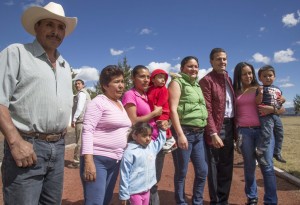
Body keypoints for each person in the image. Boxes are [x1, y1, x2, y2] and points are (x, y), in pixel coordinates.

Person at [0, 2, 77, 204]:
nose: (56, 31)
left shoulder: (64, 65)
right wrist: (16, 142)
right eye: (50, 24)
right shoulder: (16, 53)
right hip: (28, 146)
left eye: (61, 27)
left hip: (58, 147)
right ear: (37, 27)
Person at [233, 62, 284, 205]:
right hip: (244, 132)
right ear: (239, 75)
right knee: (249, 167)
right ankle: (252, 197)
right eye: (244, 73)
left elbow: (281, 110)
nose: (248, 76)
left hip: (264, 132)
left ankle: (271, 201)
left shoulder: (262, 89)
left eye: (250, 73)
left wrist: (272, 109)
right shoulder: (235, 91)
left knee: (267, 166)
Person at [80, 65, 132, 205]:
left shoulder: (120, 104)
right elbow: (87, 130)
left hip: (115, 160)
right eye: (116, 82)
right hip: (98, 159)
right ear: (104, 85)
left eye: (122, 81)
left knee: (105, 200)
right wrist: (89, 162)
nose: (121, 85)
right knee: (95, 202)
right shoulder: (98, 102)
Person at [122, 65, 167, 205]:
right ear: (133, 78)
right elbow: (133, 120)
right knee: (138, 183)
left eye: (148, 76)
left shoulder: (148, 94)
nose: (146, 79)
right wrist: (154, 114)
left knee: (152, 181)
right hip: (139, 145)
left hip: (153, 143)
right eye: (142, 76)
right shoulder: (130, 94)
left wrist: (164, 125)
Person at [168, 56, 208, 205]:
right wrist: (180, 135)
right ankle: (181, 202)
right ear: (182, 68)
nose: (194, 69)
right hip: (185, 132)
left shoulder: (197, 85)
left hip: (199, 134)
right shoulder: (177, 83)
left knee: (203, 171)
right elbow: (173, 110)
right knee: (182, 172)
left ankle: (197, 201)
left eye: (196, 66)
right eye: (190, 66)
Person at [199, 48, 235, 205]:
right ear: (211, 62)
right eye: (219, 59)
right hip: (216, 128)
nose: (223, 62)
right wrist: (213, 133)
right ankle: (216, 201)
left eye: (225, 59)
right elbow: (207, 109)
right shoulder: (206, 80)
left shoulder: (228, 78)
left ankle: (224, 200)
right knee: (214, 166)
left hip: (230, 125)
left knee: (227, 166)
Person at [119, 122, 166, 205]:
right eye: (144, 136)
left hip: (146, 190)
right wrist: (124, 195)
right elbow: (124, 174)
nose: (148, 138)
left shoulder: (152, 147)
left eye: (150, 135)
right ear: (134, 136)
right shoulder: (130, 152)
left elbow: (161, 142)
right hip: (134, 192)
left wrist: (162, 130)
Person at [255, 65, 286, 165]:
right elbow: (257, 102)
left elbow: (281, 100)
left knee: (280, 133)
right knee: (266, 134)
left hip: (276, 115)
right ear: (260, 78)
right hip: (265, 115)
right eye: (264, 76)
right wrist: (260, 93)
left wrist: (283, 99)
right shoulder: (260, 88)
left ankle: (277, 152)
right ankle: (260, 152)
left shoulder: (277, 89)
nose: (268, 78)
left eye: (270, 75)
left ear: (274, 77)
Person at [147, 68, 176, 153]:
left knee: (162, 125)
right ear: (153, 79)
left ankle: (170, 139)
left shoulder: (163, 89)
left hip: (163, 111)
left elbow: (163, 100)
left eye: (164, 78)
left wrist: (157, 108)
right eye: (160, 77)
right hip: (154, 111)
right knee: (157, 126)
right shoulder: (150, 89)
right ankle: (163, 141)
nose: (163, 80)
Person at [68, 79, 91, 169]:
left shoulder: (81, 94)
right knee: (85, 141)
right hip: (86, 120)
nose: (77, 85)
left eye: (79, 84)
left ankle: (76, 162)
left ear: (83, 85)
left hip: (81, 121)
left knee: (79, 142)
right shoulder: (85, 94)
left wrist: (74, 119)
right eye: (76, 84)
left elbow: (80, 107)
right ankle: (83, 160)